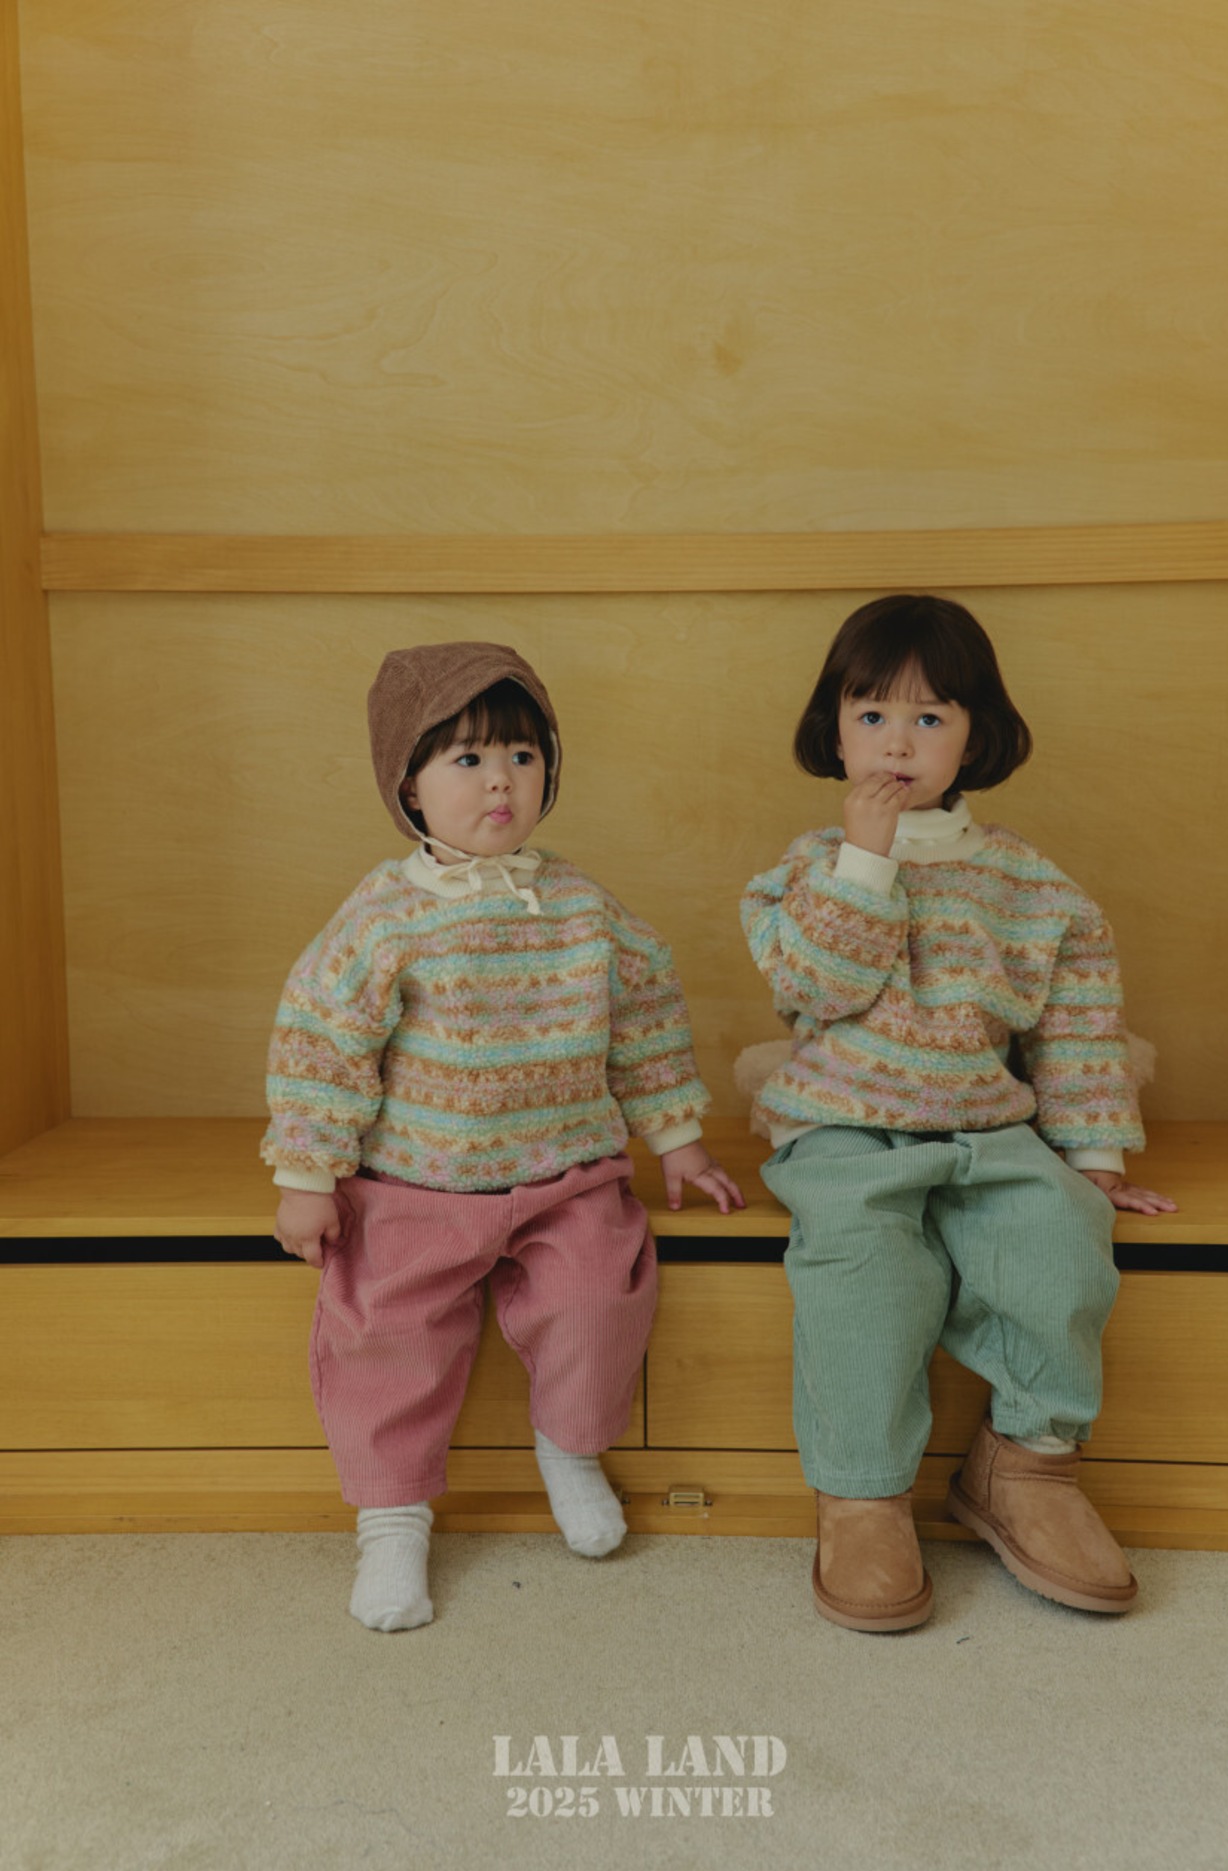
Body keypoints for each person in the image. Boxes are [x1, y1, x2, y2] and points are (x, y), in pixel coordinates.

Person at [264, 641, 743, 1631]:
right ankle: (392, 1518)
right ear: (409, 786)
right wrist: (308, 1174)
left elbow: (645, 1018)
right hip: (414, 1184)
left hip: (565, 1177)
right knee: (384, 1334)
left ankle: (569, 1449)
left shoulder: (583, 908)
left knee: (597, 1299)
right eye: (469, 759)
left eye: (523, 758)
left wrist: (677, 1139)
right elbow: (323, 1040)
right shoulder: (384, 916)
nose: (500, 782)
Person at [740, 595, 1175, 1632]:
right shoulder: (804, 868)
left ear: (975, 736)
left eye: (928, 718)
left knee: (1063, 1245)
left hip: (985, 1123)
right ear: (835, 731)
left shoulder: (1032, 884)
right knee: (866, 1278)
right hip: (843, 1123)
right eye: (871, 716)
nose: (897, 743)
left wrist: (1096, 1160)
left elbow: (1075, 1028)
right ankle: (861, 1493)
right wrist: (865, 859)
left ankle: (1026, 1464)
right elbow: (816, 989)